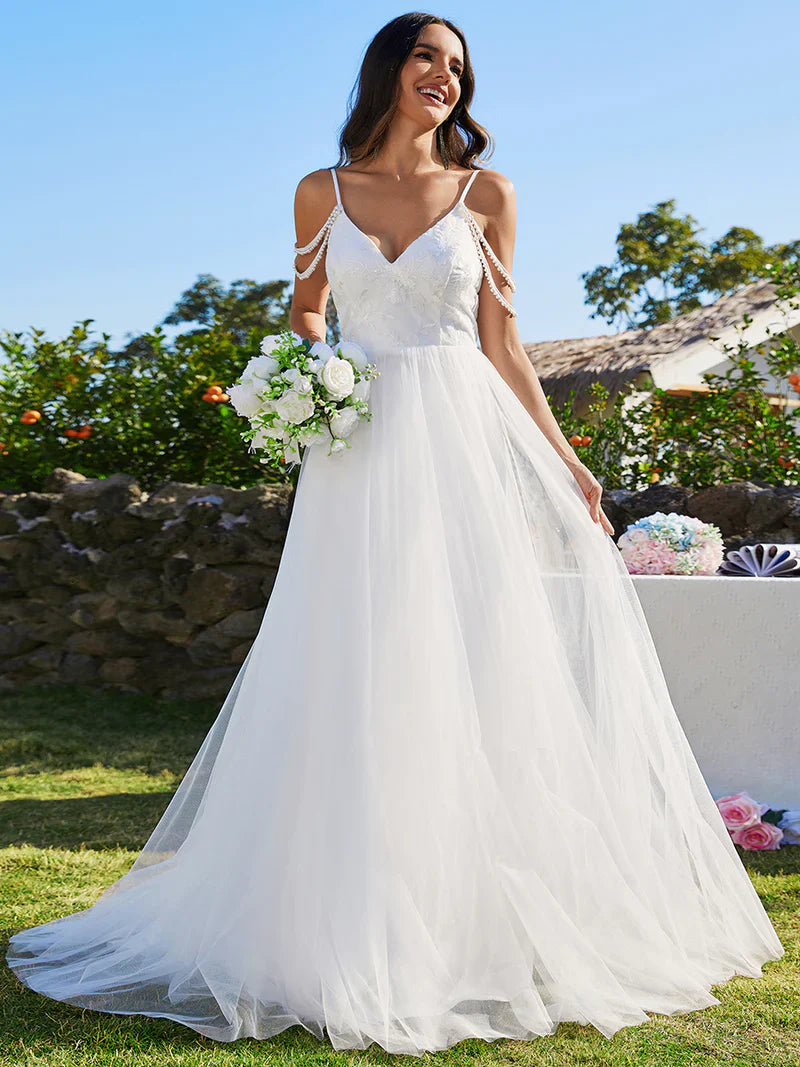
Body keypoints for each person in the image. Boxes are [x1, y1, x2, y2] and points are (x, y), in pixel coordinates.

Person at [6, 12, 784, 1057]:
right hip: (356, 458)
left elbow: (504, 347)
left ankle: (466, 908)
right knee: (347, 658)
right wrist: (302, 383)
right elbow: (305, 313)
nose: (445, 78)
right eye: (427, 57)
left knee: (467, 660)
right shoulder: (316, 191)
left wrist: (567, 461)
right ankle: (324, 911)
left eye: (458, 67)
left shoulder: (486, 195)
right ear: (387, 70)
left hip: (458, 447)